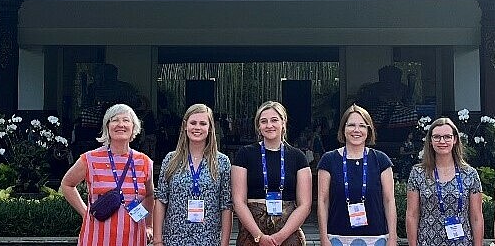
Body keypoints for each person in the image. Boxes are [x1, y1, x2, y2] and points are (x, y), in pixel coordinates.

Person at [60, 103, 155, 246]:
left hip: (134, 238)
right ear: (107, 126)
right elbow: (67, 184)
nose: (120, 124)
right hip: (96, 238)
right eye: (115, 120)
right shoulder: (90, 159)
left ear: (134, 127)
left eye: (126, 120)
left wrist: (149, 225)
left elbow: (149, 194)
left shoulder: (144, 161)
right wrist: (85, 212)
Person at [231, 101, 312, 246]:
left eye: (274, 120)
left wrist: (281, 236)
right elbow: (238, 202)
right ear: (258, 126)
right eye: (264, 121)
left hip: (288, 233)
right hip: (252, 234)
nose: (269, 125)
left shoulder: (298, 157)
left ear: (283, 123)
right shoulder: (244, 154)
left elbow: (305, 205)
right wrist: (259, 237)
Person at [153, 104, 232, 246]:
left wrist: (224, 242)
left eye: (203, 123)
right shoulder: (171, 160)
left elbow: (226, 205)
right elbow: (161, 199)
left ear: (210, 128)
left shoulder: (222, 162)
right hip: (175, 238)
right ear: (185, 126)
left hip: (208, 239)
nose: (197, 127)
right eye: (193, 123)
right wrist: (158, 240)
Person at [317, 105, 396, 246]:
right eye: (351, 125)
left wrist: (393, 237)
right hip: (337, 237)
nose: (356, 130)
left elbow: (389, 200)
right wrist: (323, 238)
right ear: (343, 129)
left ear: (369, 130)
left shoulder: (381, 160)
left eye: (362, 126)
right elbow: (323, 201)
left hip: (376, 238)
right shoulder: (329, 160)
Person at [406, 117, 484, 246]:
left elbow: (476, 217)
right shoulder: (417, 173)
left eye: (447, 137)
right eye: (437, 137)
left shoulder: (470, 174)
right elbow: (412, 215)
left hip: (462, 243)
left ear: (455, 140)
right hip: (427, 242)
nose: (442, 141)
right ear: (430, 141)